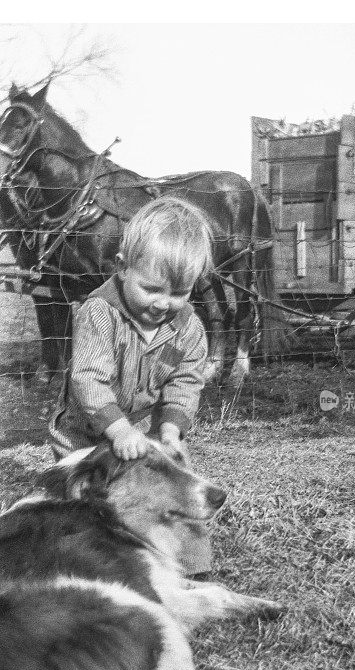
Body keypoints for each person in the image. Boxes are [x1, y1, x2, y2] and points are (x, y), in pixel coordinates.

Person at [49, 196, 214, 575]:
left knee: (174, 489)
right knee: (85, 500)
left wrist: (171, 429)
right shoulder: (99, 314)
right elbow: (88, 378)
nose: (163, 303)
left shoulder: (188, 328)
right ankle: (90, 563)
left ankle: (192, 566)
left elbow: (185, 380)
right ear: (122, 268)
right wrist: (118, 429)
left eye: (179, 293)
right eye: (152, 288)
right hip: (86, 431)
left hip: (146, 430)